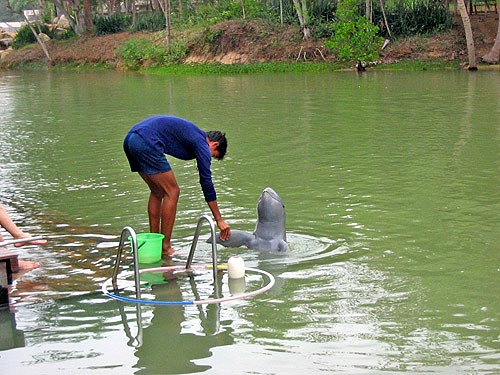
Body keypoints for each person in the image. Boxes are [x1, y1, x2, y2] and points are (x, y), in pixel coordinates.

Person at [123, 115, 231, 256]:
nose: (208, 157)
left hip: (131, 139)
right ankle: (166, 247)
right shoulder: (202, 143)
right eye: (213, 155)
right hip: (145, 141)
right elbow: (206, 182)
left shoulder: (195, 135)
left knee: (157, 191)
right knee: (172, 191)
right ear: (214, 144)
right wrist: (219, 219)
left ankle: (154, 243)